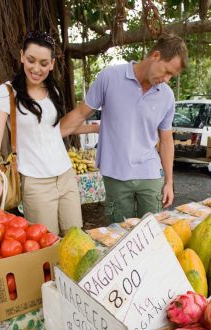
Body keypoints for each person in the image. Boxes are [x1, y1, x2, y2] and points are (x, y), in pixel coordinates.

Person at [60, 32, 188, 223]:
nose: (167, 79)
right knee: (119, 237)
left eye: (172, 75)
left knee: (152, 234)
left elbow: (167, 140)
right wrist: (49, 135)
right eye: (167, 71)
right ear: (155, 56)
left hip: (150, 175)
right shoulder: (109, 77)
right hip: (115, 175)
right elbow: (80, 114)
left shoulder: (167, 96)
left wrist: (169, 182)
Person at [0, 31, 98, 235]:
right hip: (35, 181)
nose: (36, 69)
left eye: (44, 63)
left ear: (52, 64)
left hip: (65, 175)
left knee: (76, 236)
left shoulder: (54, 90)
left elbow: (55, 130)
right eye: (31, 60)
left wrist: (94, 128)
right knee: (47, 242)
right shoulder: (7, 92)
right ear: (21, 56)